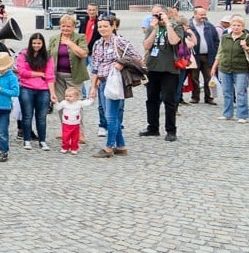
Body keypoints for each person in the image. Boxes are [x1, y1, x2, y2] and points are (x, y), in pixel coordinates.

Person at [89, 16, 143, 157]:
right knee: (110, 116)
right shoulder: (98, 44)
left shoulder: (119, 41)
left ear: (113, 26)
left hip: (115, 82)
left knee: (111, 116)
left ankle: (108, 147)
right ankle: (121, 146)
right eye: (100, 26)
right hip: (102, 82)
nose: (102, 29)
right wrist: (92, 87)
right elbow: (95, 67)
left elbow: (138, 57)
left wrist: (122, 62)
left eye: (105, 26)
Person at [139, 9, 185, 141]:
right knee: (151, 100)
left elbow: (173, 41)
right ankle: (152, 127)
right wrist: (154, 29)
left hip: (169, 70)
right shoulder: (152, 27)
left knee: (169, 101)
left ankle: (171, 130)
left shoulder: (176, 27)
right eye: (154, 14)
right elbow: (147, 46)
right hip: (153, 68)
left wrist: (167, 23)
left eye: (159, 14)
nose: (157, 17)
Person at [211, 15, 249, 123]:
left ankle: (242, 115)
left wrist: (246, 47)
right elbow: (220, 52)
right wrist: (214, 66)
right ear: (230, 26)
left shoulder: (248, 38)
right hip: (225, 68)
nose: (236, 27)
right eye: (234, 25)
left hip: (241, 69)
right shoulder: (225, 37)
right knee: (227, 92)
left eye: (239, 25)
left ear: (243, 27)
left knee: (241, 92)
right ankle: (227, 113)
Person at [15, 32, 56, 150]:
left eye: (38, 43)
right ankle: (26, 139)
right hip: (26, 88)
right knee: (27, 115)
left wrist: (52, 93)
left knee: (41, 117)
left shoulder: (47, 57)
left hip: (43, 90)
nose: (36, 45)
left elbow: (50, 76)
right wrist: (39, 74)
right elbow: (22, 72)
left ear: (42, 44)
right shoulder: (23, 54)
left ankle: (42, 140)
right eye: (34, 43)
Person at [186, 7, 220, 105]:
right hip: (194, 56)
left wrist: (215, 52)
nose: (203, 17)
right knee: (194, 77)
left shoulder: (210, 26)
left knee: (209, 77)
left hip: (208, 56)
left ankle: (209, 97)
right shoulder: (189, 26)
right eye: (201, 15)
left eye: (205, 14)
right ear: (195, 14)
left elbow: (216, 40)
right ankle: (195, 97)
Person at [53, 87, 93, 155]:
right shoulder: (64, 103)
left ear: (76, 97)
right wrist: (56, 102)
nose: (68, 98)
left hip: (75, 123)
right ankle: (65, 147)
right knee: (65, 136)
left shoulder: (79, 103)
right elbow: (58, 108)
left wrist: (91, 98)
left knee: (75, 137)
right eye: (66, 96)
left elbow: (86, 103)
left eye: (70, 96)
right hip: (66, 123)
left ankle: (74, 148)